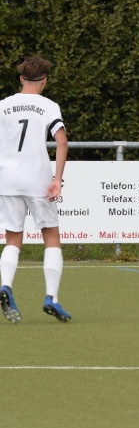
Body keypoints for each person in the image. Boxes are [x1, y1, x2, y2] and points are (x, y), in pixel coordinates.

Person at [0, 56, 72, 323]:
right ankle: (51, 297)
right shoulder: (49, 106)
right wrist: (57, 179)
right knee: (51, 237)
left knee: (12, 239)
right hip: (38, 179)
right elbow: (62, 142)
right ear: (45, 80)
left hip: (8, 179)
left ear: (21, 78)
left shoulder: (3, 105)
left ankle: (6, 286)